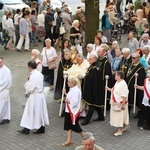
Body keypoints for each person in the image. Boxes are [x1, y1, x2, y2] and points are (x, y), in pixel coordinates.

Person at [17, 61, 49, 134]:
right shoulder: (39, 74)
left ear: (30, 67)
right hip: (39, 96)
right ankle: (39, 127)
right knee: (38, 112)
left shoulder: (34, 76)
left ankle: (27, 128)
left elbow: (30, 87)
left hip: (35, 96)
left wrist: (27, 92)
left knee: (30, 112)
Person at [81, 54, 105, 126]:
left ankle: (86, 120)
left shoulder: (96, 68)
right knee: (96, 103)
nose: (89, 60)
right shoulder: (92, 66)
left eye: (90, 59)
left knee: (92, 104)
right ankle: (101, 116)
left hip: (95, 89)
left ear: (95, 59)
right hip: (92, 88)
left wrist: (86, 76)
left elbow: (93, 78)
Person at [106, 71, 130, 136]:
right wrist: (109, 89)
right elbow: (115, 91)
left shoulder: (123, 84)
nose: (115, 76)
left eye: (116, 75)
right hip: (116, 103)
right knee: (119, 116)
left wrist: (123, 105)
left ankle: (120, 131)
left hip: (120, 103)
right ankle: (125, 125)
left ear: (120, 76)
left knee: (120, 117)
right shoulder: (117, 82)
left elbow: (124, 95)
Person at [62, 77, 83, 146]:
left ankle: (85, 137)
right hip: (68, 110)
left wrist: (67, 101)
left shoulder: (76, 91)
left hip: (73, 112)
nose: (68, 83)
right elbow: (70, 97)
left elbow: (75, 102)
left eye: (69, 82)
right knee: (68, 126)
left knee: (76, 126)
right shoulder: (72, 89)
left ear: (73, 83)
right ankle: (69, 140)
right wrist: (65, 93)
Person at [0, 57, 12, 124]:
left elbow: (6, 81)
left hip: (3, 90)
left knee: (2, 104)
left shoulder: (6, 70)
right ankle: (6, 117)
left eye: (0, 62)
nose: (0, 64)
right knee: (5, 104)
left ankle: (4, 117)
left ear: (3, 62)